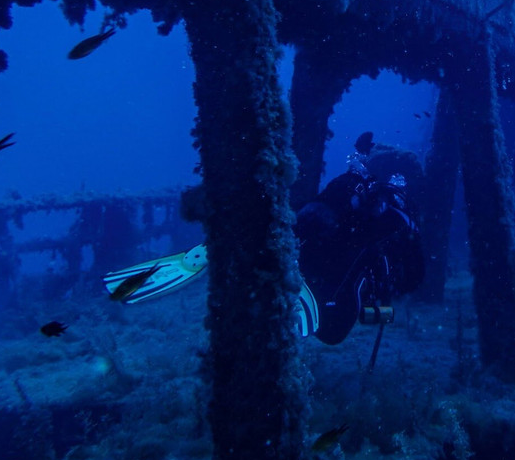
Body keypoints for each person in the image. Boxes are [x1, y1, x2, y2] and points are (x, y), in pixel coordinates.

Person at [102, 138, 424, 346]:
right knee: (333, 330)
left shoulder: (351, 183)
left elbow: (315, 213)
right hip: (331, 263)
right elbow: (412, 276)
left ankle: (240, 247)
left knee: (299, 234)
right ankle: (294, 274)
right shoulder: (397, 213)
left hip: (310, 238)